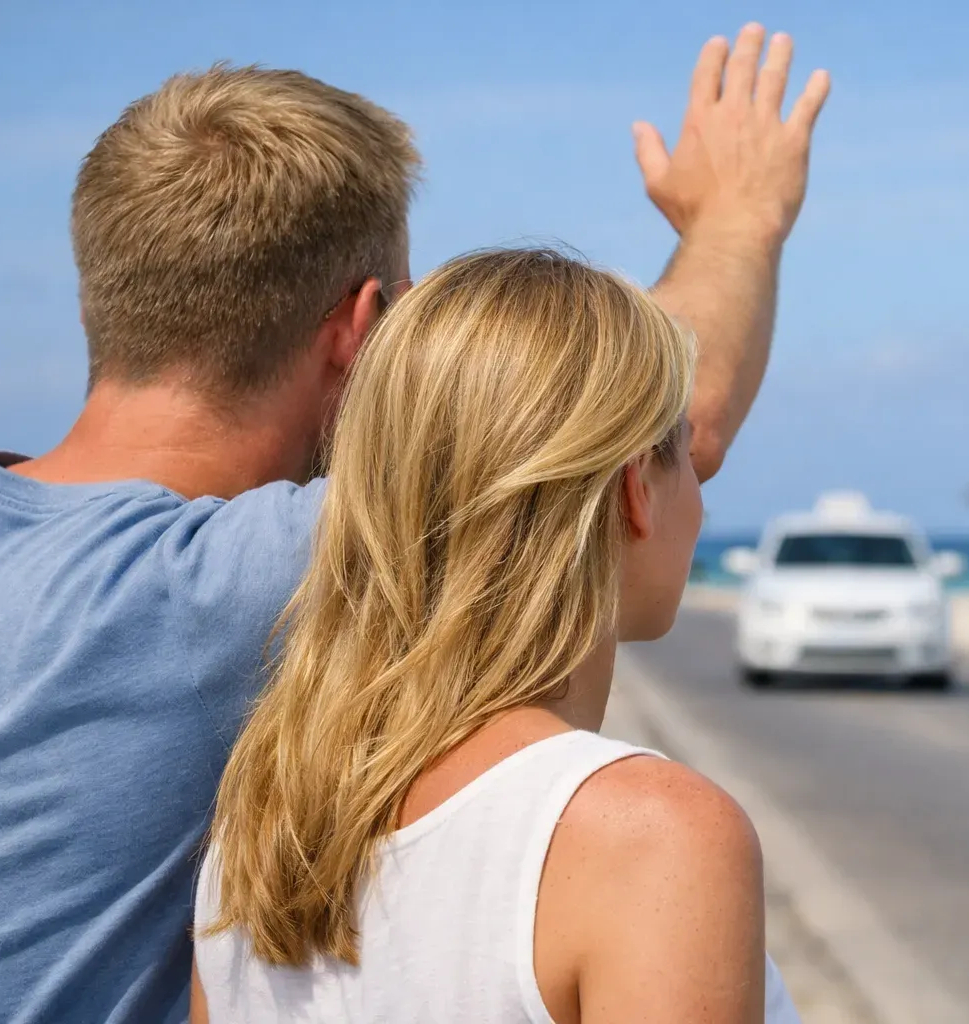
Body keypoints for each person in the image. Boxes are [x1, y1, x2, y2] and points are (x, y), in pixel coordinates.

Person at [0, 26, 827, 1024]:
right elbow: (621, 433)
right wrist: (738, 221)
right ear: (364, 331)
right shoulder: (214, 585)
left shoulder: (248, 838)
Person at [193, 246, 794, 1023]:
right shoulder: (652, 836)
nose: (700, 500)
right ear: (636, 490)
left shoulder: (261, 823)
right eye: (687, 457)